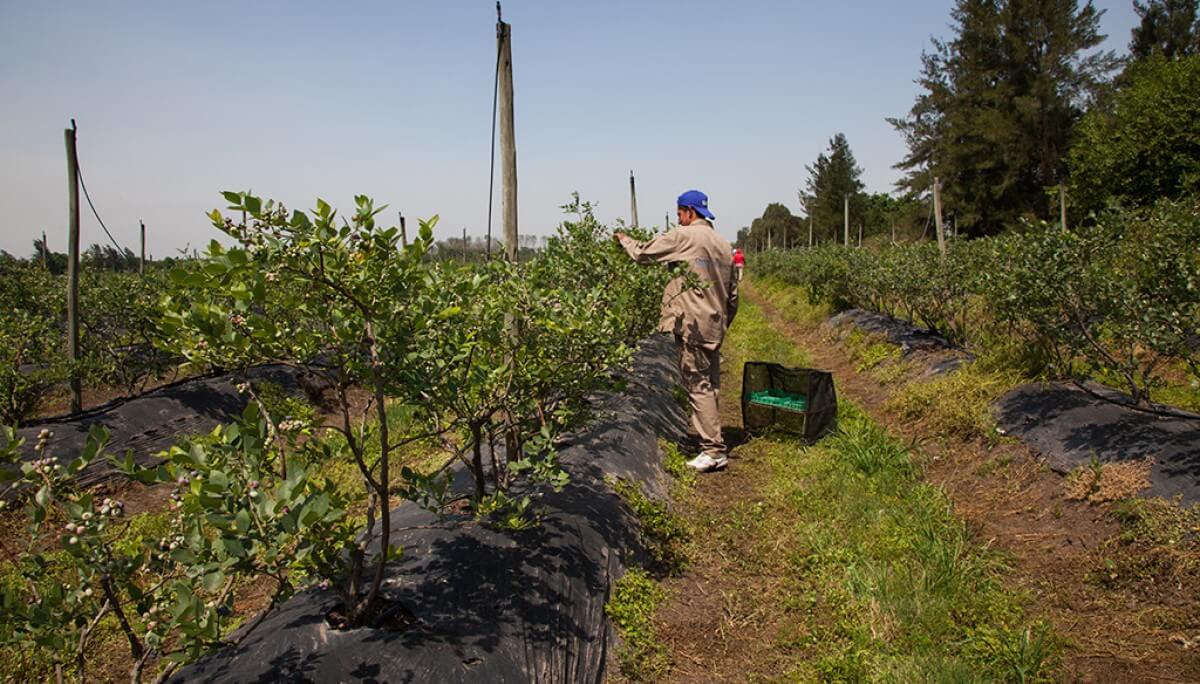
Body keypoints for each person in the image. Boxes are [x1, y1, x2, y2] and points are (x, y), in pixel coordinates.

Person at [614, 190, 738, 472]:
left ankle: (713, 450)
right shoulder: (723, 244)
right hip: (714, 324)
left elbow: (643, 253)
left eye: (680, 214)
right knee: (710, 383)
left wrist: (624, 240)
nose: (679, 219)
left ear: (689, 212)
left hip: (693, 324)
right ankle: (711, 438)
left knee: (698, 384)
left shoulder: (684, 236)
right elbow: (733, 297)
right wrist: (722, 322)